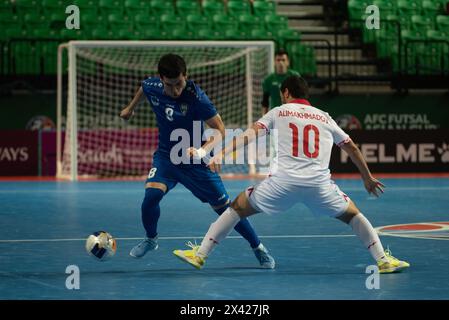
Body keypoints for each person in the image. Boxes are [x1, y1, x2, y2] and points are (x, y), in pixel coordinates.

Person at [173, 75, 410, 274]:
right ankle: (383, 260)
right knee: (354, 216)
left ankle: (200, 254)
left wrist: (221, 154)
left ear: (286, 93)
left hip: (282, 183)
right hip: (319, 185)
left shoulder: (279, 111)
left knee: (236, 208)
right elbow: (352, 147)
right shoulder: (324, 116)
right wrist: (366, 177)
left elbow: (250, 135)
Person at [119, 53, 275, 268]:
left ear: (186, 76)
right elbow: (144, 88)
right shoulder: (152, 85)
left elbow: (220, 130)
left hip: (195, 163)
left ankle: (258, 248)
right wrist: (131, 108)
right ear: (161, 79)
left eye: (179, 83)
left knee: (226, 210)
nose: (175, 90)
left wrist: (203, 151)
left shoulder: (197, 98)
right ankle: (151, 239)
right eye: (170, 85)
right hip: (167, 158)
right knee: (151, 197)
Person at [262, 49, 300, 115]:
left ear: (288, 62)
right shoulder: (268, 80)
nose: (281, 62)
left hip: (292, 113)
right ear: (274, 62)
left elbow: (300, 97)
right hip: (276, 114)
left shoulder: (295, 76)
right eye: (278, 60)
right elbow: (265, 102)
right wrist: (264, 118)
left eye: (283, 60)